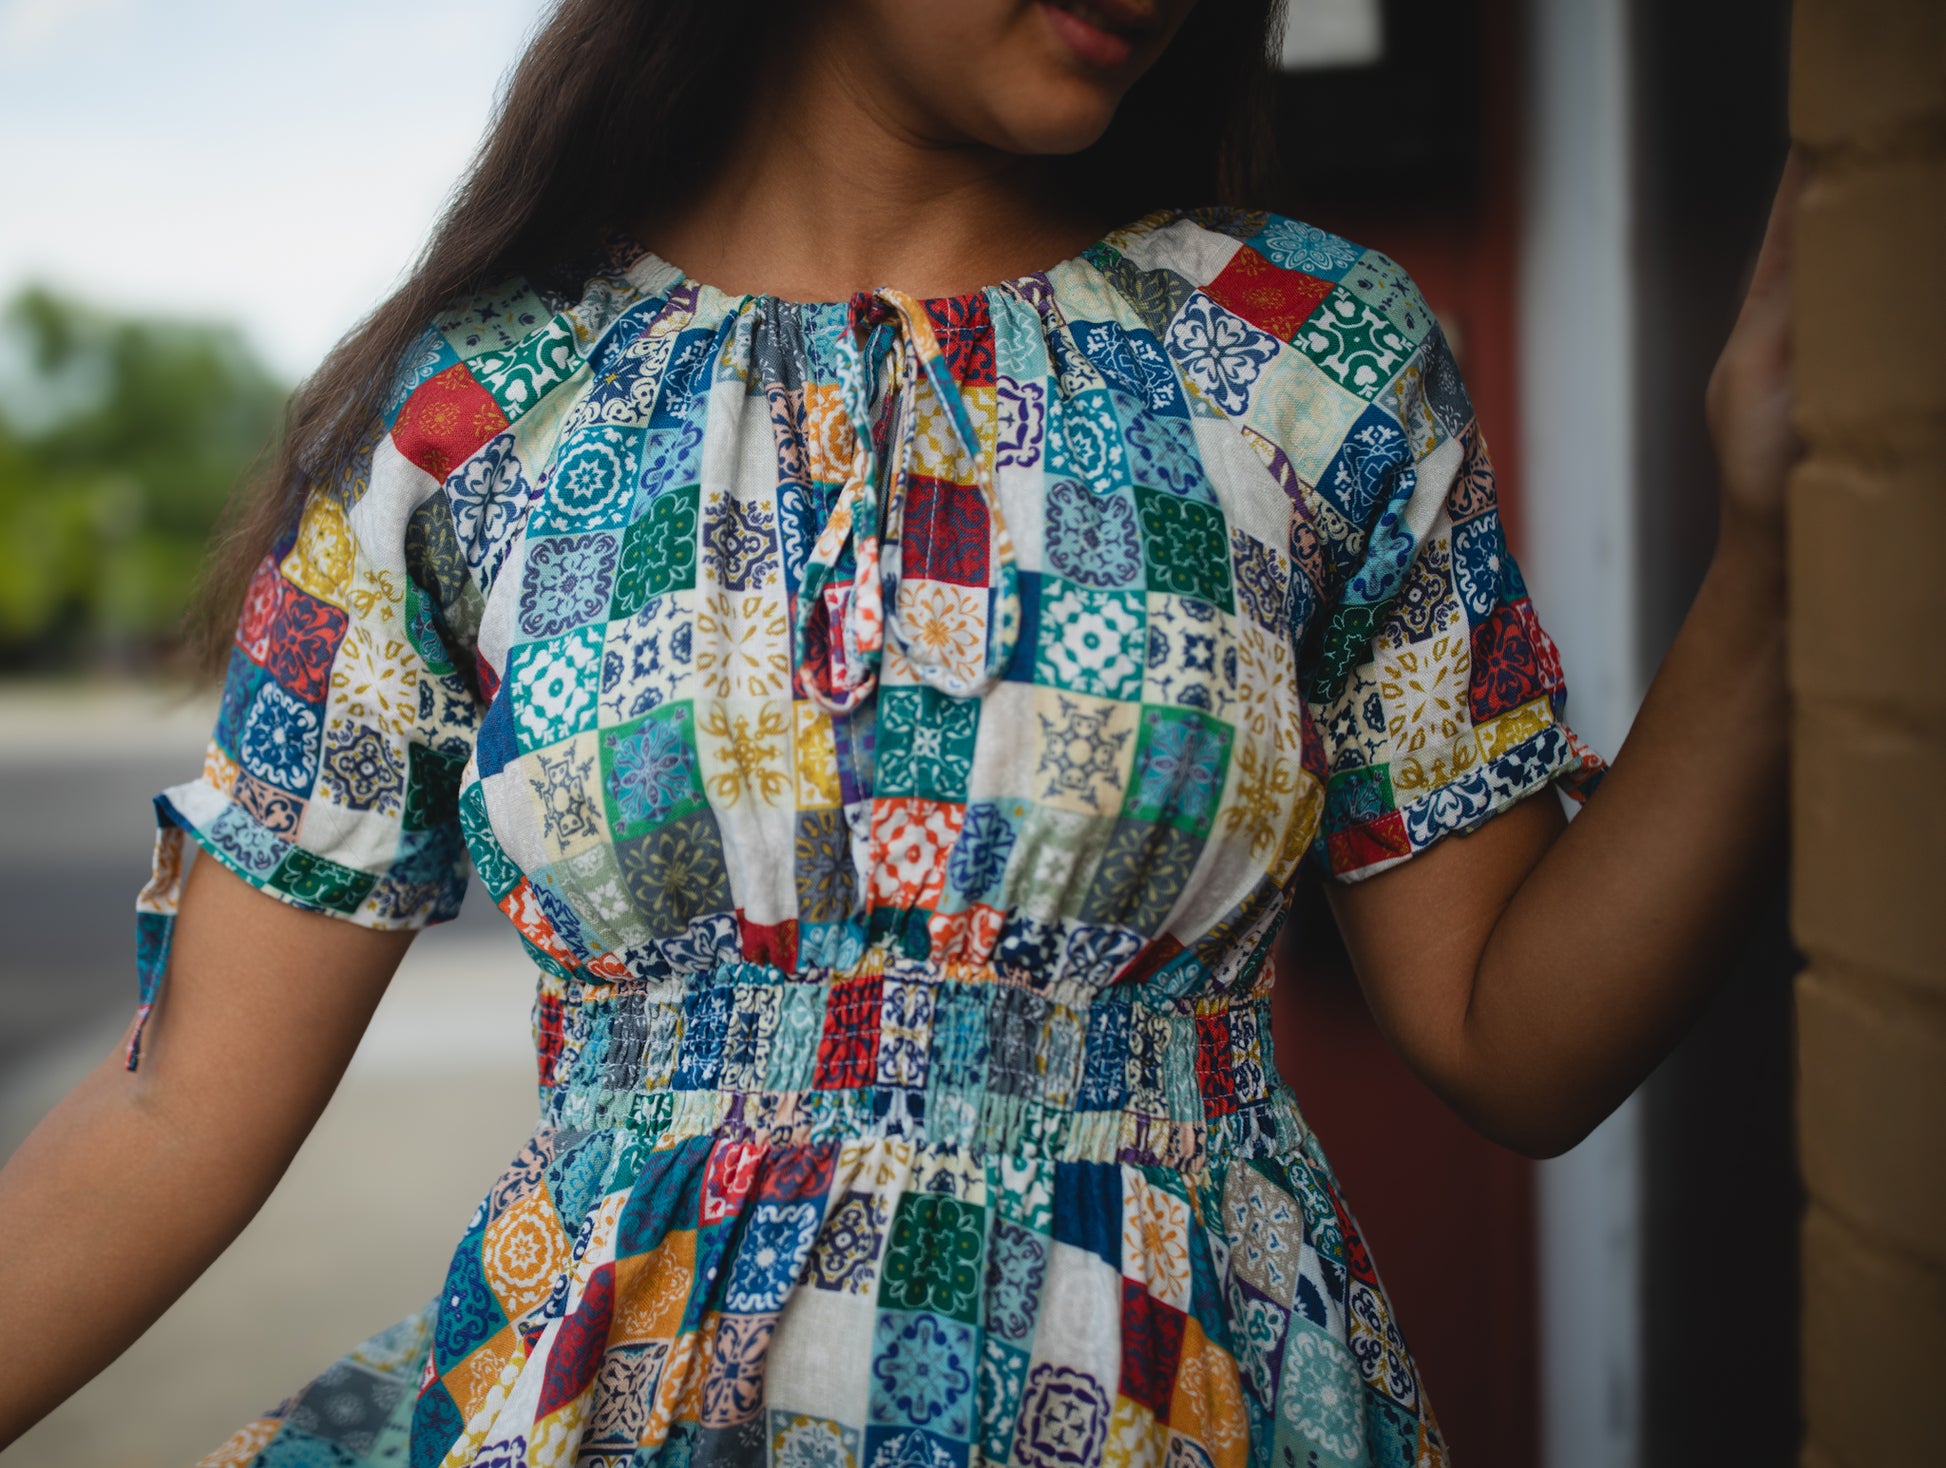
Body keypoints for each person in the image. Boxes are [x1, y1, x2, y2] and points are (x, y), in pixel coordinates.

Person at [0, 0, 1798, 1463]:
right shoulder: (478, 410)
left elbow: (1514, 1043)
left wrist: (1771, 567)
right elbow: (175, 1110)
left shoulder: (1299, 357)